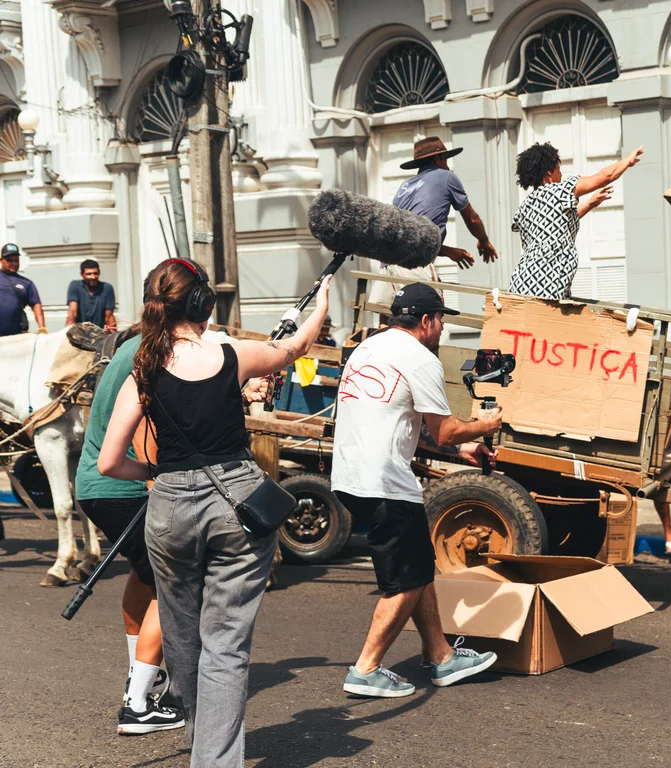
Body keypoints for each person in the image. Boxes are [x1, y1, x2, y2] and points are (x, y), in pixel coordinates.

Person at [98, 257, 331, 766]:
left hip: (170, 509)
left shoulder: (143, 371)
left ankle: (201, 741)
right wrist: (321, 304)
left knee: (182, 639)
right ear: (203, 303)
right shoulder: (233, 354)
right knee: (226, 646)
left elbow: (109, 462)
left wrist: (156, 473)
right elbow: (295, 347)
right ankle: (213, 759)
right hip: (236, 502)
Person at [77, 322, 272, 736]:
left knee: (145, 576)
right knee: (171, 589)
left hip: (95, 486)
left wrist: (240, 395)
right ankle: (137, 704)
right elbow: (147, 431)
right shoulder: (156, 355)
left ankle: (142, 679)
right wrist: (162, 487)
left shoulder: (139, 347)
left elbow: (178, 411)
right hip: (129, 486)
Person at [332, 282, 502, 698]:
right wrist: (485, 425)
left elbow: (404, 422)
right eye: (441, 319)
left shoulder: (368, 349)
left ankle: (441, 656)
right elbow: (443, 430)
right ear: (426, 321)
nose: (443, 328)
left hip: (351, 477)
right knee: (405, 581)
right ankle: (365, 669)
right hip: (386, 483)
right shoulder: (420, 358)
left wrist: (461, 447)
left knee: (419, 567)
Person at [368, 136, 498, 314]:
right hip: (413, 264)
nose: (448, 165)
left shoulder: (404, 187)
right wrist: (483, 240)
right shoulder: (447, 177)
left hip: (387, 263)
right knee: (426, 318)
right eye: (445, 159)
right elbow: (472, 218)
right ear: (437, 159)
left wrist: (449, 251)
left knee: (388, 319)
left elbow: (409, 237)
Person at [508, 142, 643, 300]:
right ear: (549, 172)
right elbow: (605, 176)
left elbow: (556, 224)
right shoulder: (559, 191)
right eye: (558, 169)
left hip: (520, 284)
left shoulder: (527, 205)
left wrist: (590, 204)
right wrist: (627, 160)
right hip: (545, 285)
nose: (561, 174)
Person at [0, 243, 45, 336]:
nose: (14, 263)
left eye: (16, 260)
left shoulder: (27, 283)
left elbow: (36, 305)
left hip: (16, 335)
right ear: (1, 260)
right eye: (9, 260)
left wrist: (42, 327)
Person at [67, 258, 116, 331]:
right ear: (81, 274)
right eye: (88, 274)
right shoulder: (75, 286)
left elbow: (109, 317)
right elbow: (72, 314)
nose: (93, 277)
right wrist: (67, 334)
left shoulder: (107, 288)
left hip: (99, 332)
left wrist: (114, 335)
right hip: (80, 332)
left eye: (95, 273)